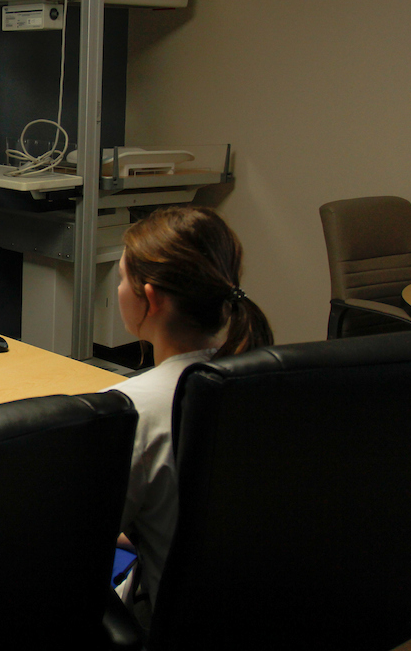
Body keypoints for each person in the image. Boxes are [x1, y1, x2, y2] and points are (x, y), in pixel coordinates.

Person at [103, 205, 273, 629]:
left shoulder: (130, 409)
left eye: (123, 278)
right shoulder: (274, 380)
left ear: (152, 298)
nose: (118, 287)